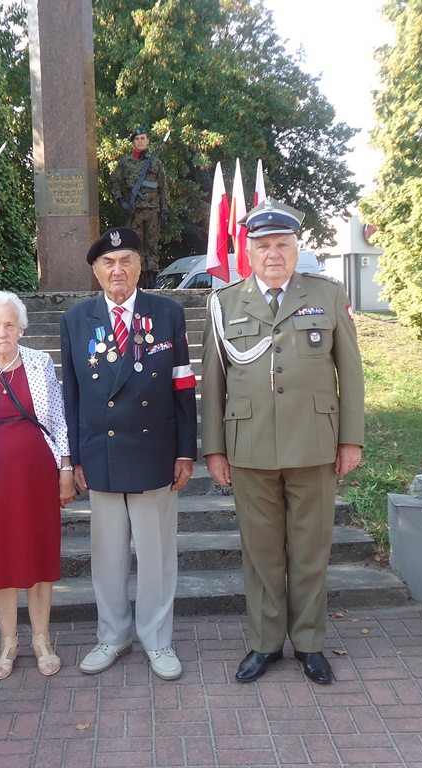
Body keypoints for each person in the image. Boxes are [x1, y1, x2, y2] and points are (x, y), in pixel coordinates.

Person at [201, 198, 365, 685]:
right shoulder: (225, 301)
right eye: (263, 246)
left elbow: (350, 374)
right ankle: (266, 642)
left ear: (297, 248)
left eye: (283, 245)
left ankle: (310, 643)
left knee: (311, 549)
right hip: (249, 446)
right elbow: (214, 381)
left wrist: (350, 439)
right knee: (262, 551)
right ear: (248, 251)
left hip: (315, 443)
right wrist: (214, 448)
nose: (273, 254)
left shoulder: (328, 295)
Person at [59, 227, 198, 680]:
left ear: (140, 266)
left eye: (126, 261)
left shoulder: (167, 313)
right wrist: (73, 456)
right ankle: (112, 635)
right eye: (108, 263)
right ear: (96, 271)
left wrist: (185, 451)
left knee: (157, 554)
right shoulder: (76, 319)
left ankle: (157, 640)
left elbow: (182, 386)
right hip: (100, 452)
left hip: (154, 450)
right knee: (108, 554)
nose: (117, 270)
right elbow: (73, 394)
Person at [0, 291, 75, 679]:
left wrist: (66, 468)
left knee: (38, 558)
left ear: (21, 327)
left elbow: (58, 420)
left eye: (9, 324)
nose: (2, 331)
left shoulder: (39, 363)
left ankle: (41, 639)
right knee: (1, 562)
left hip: (37, 478)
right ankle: (8, 642)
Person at [109, 127, 169, 289]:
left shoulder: (155, 162)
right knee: (135, 246)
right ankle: (139, 279)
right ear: (133, 142)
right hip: (134, 212)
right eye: (137, 139)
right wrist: (121, 201)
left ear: (148, 141)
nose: (140, 141)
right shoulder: (125, 163)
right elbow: (113, 182)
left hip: (153, 211)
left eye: (143, 138)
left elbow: (163, 187)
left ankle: (153, 279)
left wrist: (164, 210)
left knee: (152, 245)